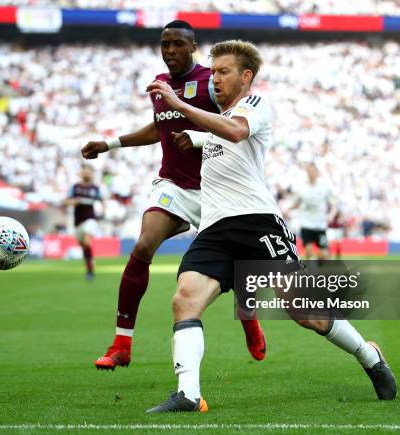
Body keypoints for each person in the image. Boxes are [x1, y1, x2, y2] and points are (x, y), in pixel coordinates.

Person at [145, 39, 397, 413]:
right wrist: (189, 137)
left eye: (223, 72)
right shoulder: (215, 122)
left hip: (256, 223)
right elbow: (215, 133)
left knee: (305, 311)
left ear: (246, 77)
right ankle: (188, 393)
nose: (214, 79)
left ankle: (369, 356)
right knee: (185, 300)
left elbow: (234, 131)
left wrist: (180, 106)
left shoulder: (255, 105)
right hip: (215, 229)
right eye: (212, 72)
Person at [82, 20, 266, 370]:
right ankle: (122, 343)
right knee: (142, 246)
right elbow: (159, 126)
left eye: (177, 45)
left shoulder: (211, 82)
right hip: (173, 186)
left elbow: (232, 124)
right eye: (165, 44)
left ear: (192, 46)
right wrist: (111, 143)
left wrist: (196, 136)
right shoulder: (161, 85)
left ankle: (249, 318)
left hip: (218, 189)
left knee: (241, 265)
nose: (170, 51)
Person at [289, 163, 336, 260]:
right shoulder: (302, 188)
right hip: (306, 224)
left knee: (324, 255)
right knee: (309, 251)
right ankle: (308, 273)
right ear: (307, 172)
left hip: (320, 226)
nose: (312, 173)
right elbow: (296, 203)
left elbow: (334, 204)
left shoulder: (324, 187)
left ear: (317, 172)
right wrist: (287, 210)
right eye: (309, 171)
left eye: (314, 170)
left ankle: (320, 263)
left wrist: (331, 214)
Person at [65, 165, 101, 281]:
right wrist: (72, 202)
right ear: (81, 173)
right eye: (84, 171)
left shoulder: (95, 188)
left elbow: (101, 201)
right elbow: (66, 201)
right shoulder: (75, 187)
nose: (86, 174)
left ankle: (90, 269)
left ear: (91, 174)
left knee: (86, 240)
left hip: (90, 219)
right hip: (78, 222)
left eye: (88, 172)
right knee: (84, 247)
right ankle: (90, 267)